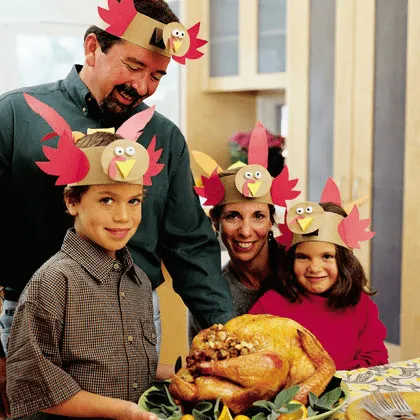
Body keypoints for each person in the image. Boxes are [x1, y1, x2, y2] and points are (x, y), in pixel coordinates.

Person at [0, 1, 233, 413]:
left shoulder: (164, 137)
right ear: (92, 48)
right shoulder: (14, 117)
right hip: (31, 323)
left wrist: (225, 337)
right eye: (133, 66)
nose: (143, 87)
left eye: (157, 75)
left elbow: (191, 245)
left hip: (137, 319)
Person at [6, 97, 171, 420]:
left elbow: (131, 367)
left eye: (134, 201)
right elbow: (37, 389)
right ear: (72, 201)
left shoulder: (138, 280)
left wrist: (178, 374)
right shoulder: (53, 283)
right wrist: (127, 412)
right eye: (107, 199)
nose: (123, 216)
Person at [249, 178, 389, 370]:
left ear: (344, 261)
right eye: (303, 257)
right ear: (291, 261)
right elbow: (249, 355)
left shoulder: (360, 304)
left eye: (326, 256)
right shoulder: (270, 304)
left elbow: (375, 356)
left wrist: (338, 379)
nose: (314, 268)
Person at [188, 121, 301, 343]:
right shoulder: (211, 296)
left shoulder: (302, 268)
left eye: (258, 216)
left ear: (271, 221)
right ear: (215, 220)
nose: (245, 231)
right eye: (233, 216)